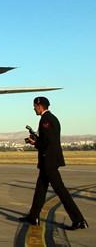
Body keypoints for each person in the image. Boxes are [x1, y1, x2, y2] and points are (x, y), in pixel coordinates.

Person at [19, 97, 88, 230]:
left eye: (35, 106)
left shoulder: (46, 120)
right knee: (40, 189)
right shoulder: (50, 118)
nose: (34, 108)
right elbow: (48, 139)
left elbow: (48, 142)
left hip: (49, 161)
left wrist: (35, 143)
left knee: (60, 190)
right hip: (48, 160)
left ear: (40, 106)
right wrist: (37, 139)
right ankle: (33, 217)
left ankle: (79, 220)